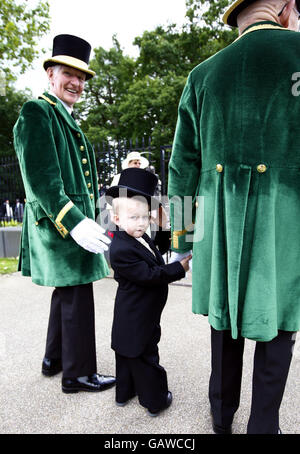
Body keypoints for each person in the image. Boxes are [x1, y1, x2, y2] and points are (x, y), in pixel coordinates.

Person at [168, 0, 299, 434]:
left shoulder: (202, 74)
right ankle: (264, 425)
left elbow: (182, 166)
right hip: (286, 219)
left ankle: (221, 416)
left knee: (223, 324)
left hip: (218, 224)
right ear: (285, 6)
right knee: (279, 324)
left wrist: (183, 239)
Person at [13, 34, 115, 394]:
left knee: (66, 291)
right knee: (77, 293)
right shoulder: (37, 111)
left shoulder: (64, 117)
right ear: (50, 74)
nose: (76, 82)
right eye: (68, 73)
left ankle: (54, 358)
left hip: (71, 222)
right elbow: (42, 180)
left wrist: (97, 218)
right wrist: (74, 223)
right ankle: (78, 374)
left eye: (82, 76)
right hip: (61, 224)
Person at [106, 168, 191, 416]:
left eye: (145, 217)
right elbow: (150, 275)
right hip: (137, 315)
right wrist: (179, 268)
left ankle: (125, 392)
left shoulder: (136, 236)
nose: (142, 223)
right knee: (144, 356)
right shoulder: (121, 248)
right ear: (117, 219)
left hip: (136, 312)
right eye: (134, 218)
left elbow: (158, 249)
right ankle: (156, 400)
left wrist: (163, 226)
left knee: (126, 352)